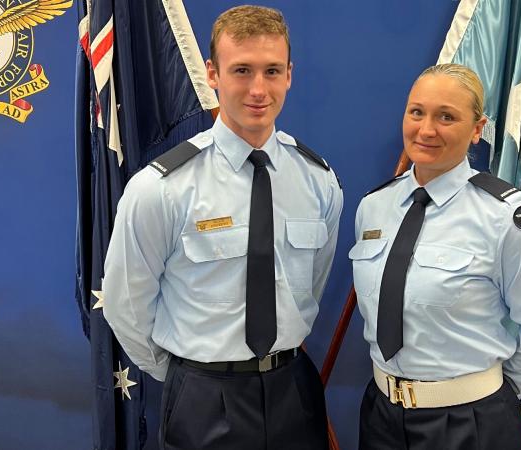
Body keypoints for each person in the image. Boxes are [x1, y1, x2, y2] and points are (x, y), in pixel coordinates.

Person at [102, 5, 342, 450]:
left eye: (272, 71)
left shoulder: (318, 180)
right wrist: (186, 373)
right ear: (212, 74)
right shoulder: (162, 188)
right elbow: (125, 305)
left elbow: (310, 286)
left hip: (295, 390)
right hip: (204, 396)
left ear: (290, 74)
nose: (258, 89)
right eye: (241, 71)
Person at [350, 63, 521, 450]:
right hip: (382, 416)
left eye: (446, 116)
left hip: (471, 421)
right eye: (417, 112)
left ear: (477, 128)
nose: (426, 129)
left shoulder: (503, 217)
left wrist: (486, 395)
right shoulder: (374, 207)